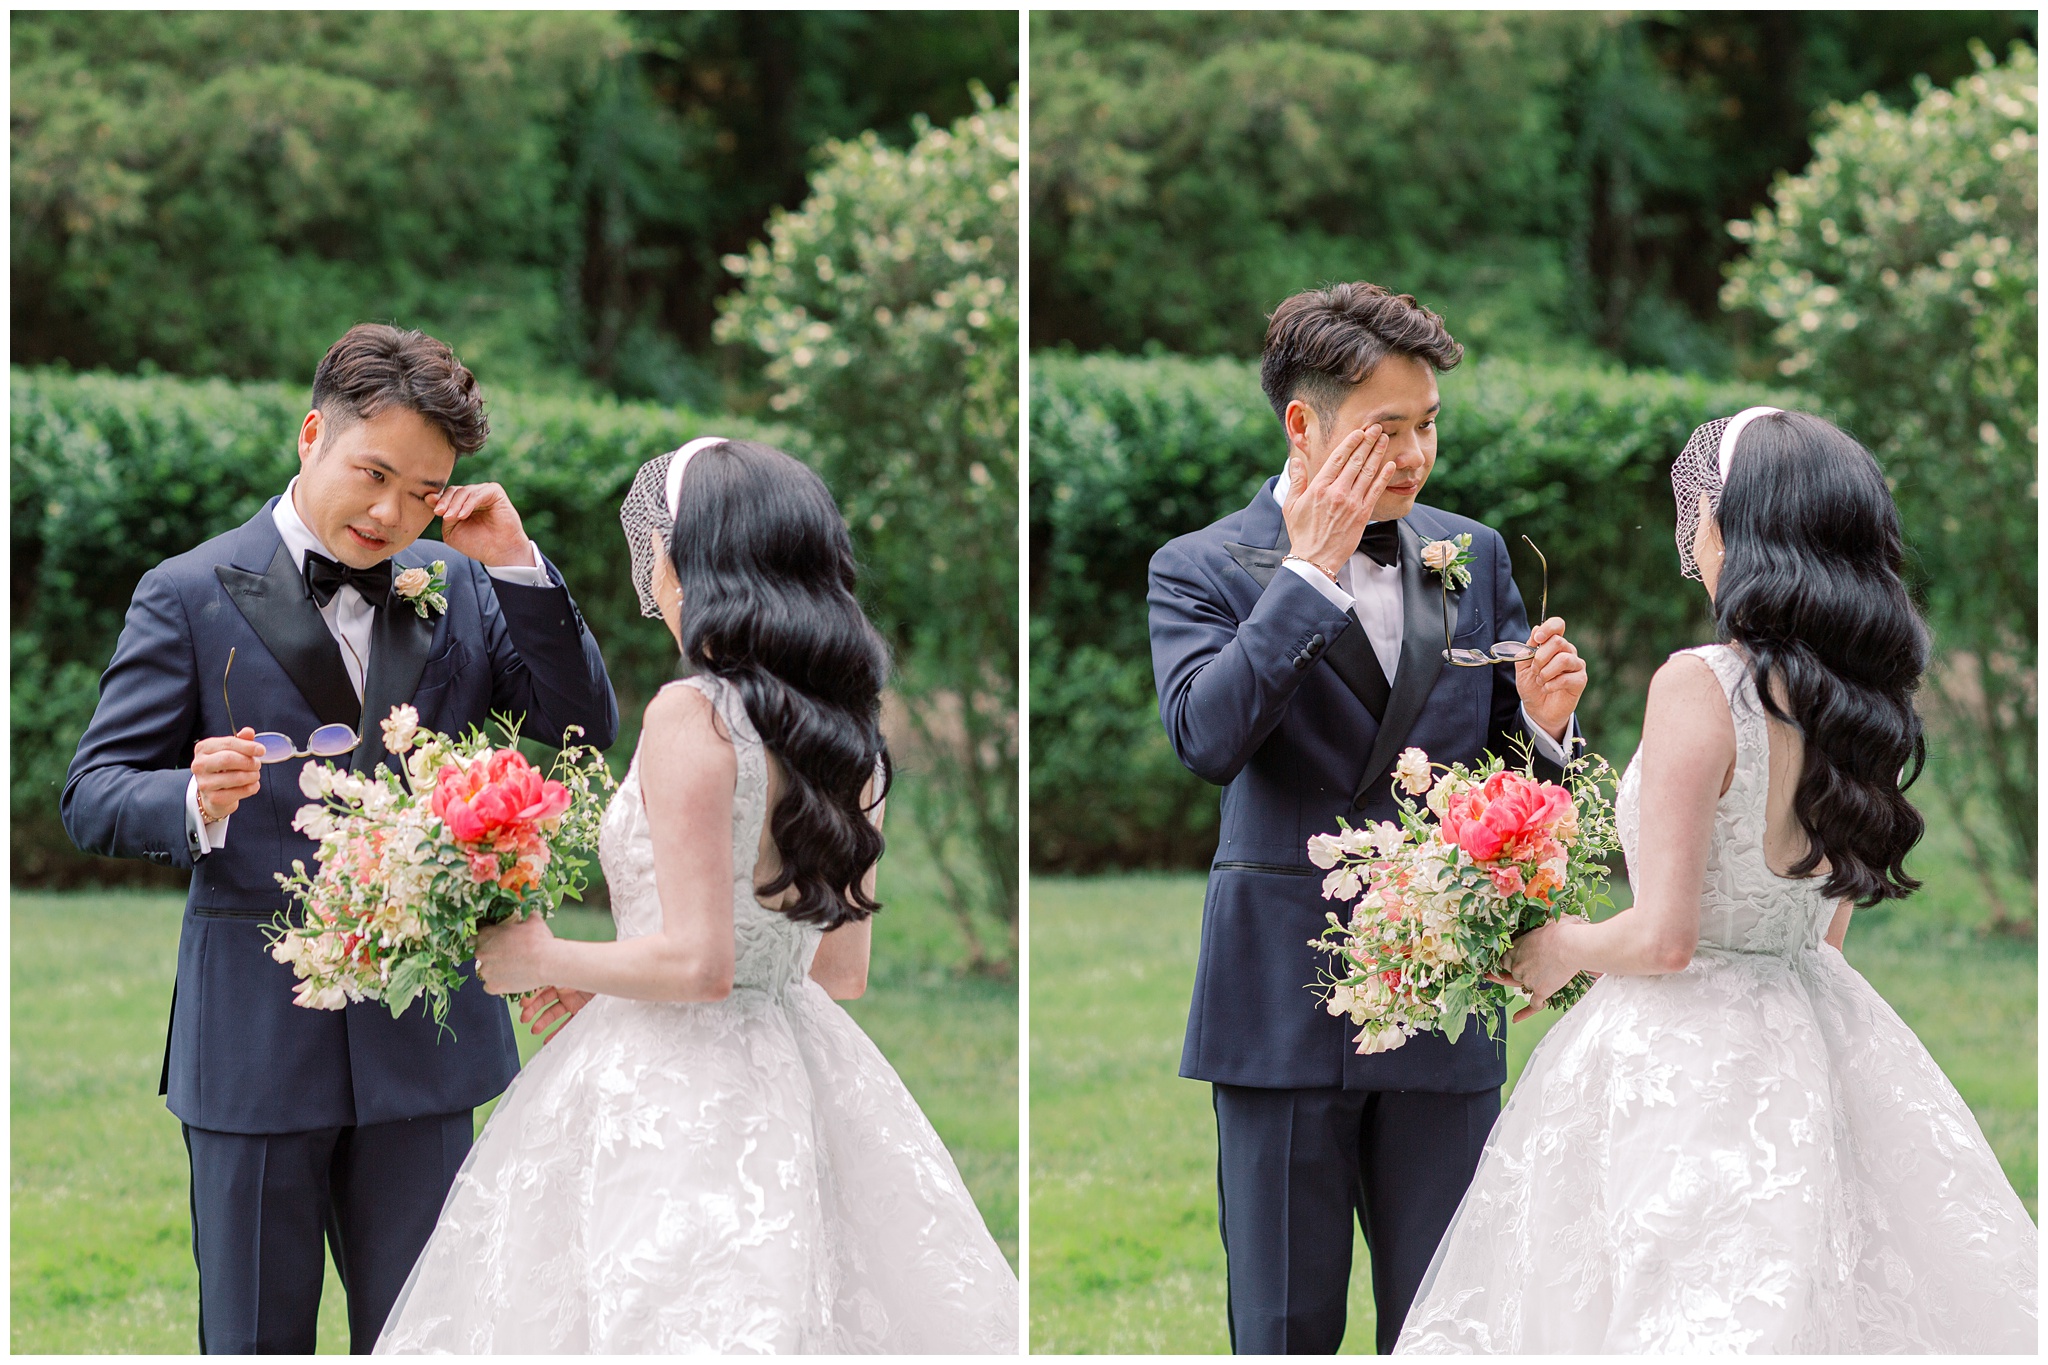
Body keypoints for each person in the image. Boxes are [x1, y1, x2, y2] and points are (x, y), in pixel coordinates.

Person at [1396, 408, 2039, 1353]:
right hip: (1816, 1026)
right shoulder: (1856, 700)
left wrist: (1555, 945)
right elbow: (1825, 928)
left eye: (1702, 505)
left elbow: (1666, 937)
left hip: (1682, 1051)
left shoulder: (1700, 683)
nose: (1691, 526)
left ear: (1743, 525)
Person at [374, 436, 1019, 1353]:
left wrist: (541, 955)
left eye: (661, 550)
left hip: (668, 1091)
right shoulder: (849, 734)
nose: (655, 572)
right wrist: (619, 975)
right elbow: (837, 967)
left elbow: (699, 962)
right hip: (799, 1067)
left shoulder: (696, 713)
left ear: (692, 561)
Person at [61, 323, 619, 1353]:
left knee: (424, 1337)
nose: (389, 513)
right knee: (253, 1340)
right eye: (374, 474)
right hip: (253, 1045)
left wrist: (517, 566)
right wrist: (192, 800)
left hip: (425, 1049)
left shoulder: (460, 591)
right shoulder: (186, 593)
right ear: (313, 431)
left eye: (423, 494)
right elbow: (92, 793)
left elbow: (582, 721)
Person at [1146, 282, 1588, 1353]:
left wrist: (1544, 735)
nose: (1413, 454)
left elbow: (1506, 790)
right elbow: (1207, 739)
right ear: (1303, 426)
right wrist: (1306, 574)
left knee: (1450, 1321)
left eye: (1426, 424)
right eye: (1384, 429)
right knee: (1283, 1327)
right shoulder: (1199, 567)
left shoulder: (1469, 554)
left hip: (1440, 1002)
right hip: (1276, 1011)